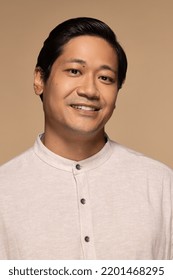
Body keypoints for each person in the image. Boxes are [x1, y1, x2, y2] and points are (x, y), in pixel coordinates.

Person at [0, 17, 172, 260]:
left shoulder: (160, 184)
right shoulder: (4, 190)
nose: (90, 90)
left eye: (105, 78)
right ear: (40, 79)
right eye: (74, 71)